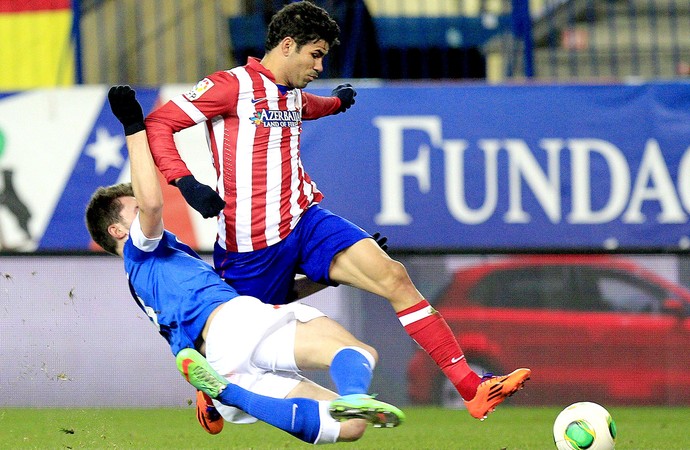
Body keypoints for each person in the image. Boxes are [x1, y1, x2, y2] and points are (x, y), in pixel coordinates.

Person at [145, 0, 530, 420]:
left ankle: (472, 388)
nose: (320, 66)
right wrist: (185, 181)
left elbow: (310, 106)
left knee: (394, 276)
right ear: (287, 45)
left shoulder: (291, 94)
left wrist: (336, 102)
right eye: (316, 55)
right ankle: (212, 391)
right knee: (232, 349)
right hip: (248, 245)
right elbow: (159, 123)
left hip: (306, 220)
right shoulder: (230, 86)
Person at [85, 85, 404, 444]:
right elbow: (153, 203)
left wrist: (334, 272)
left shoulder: (163, 273)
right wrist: (133, 126)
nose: (142, 210)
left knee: (350, 426)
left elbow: (277, 294)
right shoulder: (140, 251)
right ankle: (346, 395)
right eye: (133, 209)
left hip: (219, 358)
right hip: (233, 326)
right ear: (117, 230)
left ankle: (228, 396)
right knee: (359, 353)